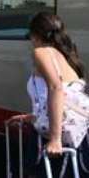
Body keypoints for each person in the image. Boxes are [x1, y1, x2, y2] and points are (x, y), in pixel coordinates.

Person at [8, 12, 89, 177]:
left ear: (35, 34)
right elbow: (66, 100)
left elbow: (56, 88)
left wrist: (54, 139)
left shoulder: (42, 52)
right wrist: (33, 116)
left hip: (56, 142)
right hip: (77, 139)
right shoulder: (67, 57)